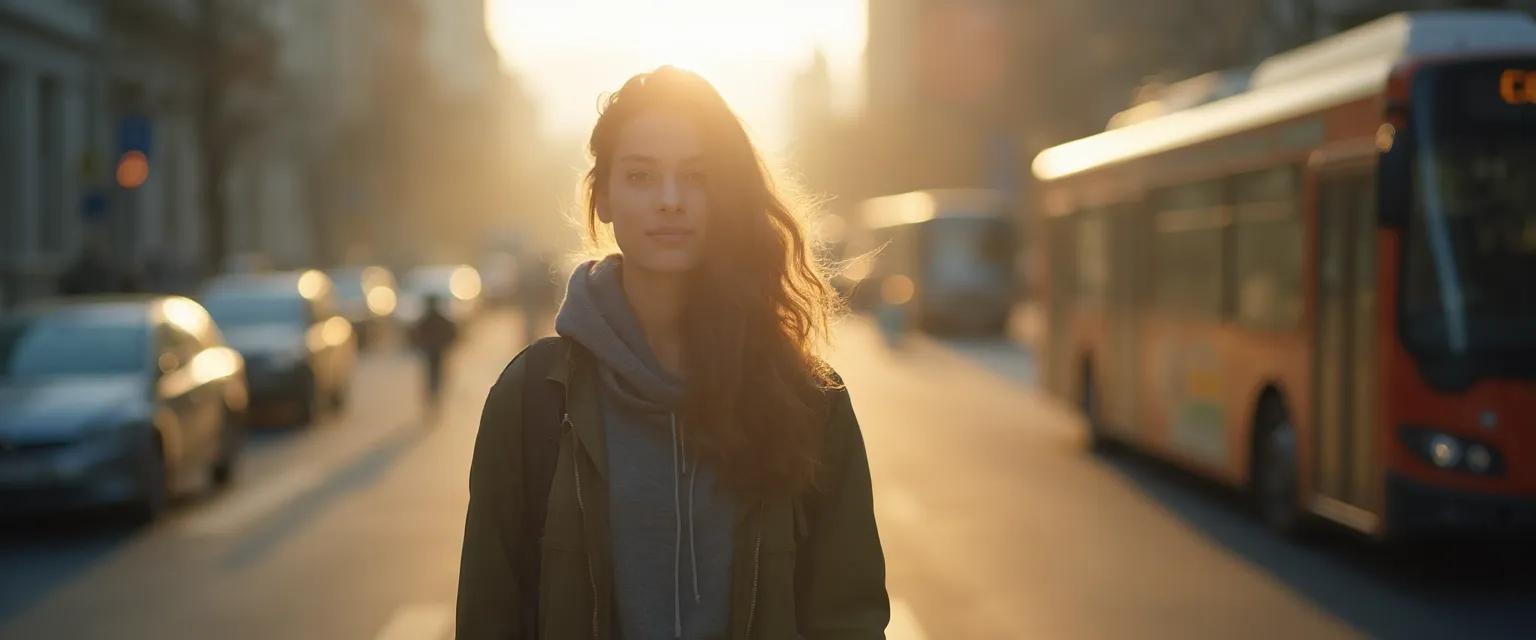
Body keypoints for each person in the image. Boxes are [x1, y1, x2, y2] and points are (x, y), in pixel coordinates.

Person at [457, 67, 888, 639]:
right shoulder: (533, 397)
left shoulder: (807, 397)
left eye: (697, 178)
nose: (669, 201)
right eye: (640, 176)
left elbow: (847, 617)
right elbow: (490, 614)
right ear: (602, 196)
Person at [411, 294, 458, 411]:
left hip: (434, 351)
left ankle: (434, 393)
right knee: (435, 374)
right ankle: (434, 393)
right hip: (434, 351)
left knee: (434, 374)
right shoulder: (434, 319)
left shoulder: (428, 320)